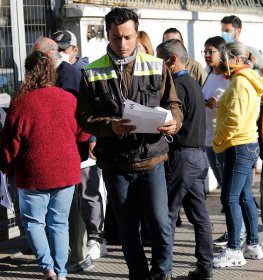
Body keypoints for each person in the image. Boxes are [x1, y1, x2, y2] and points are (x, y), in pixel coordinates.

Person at [75, 8, 183, 280]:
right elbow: (85, 118)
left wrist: (175, 121)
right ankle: (139, 275)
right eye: (115, 38)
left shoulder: (156, 66)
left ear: (137, 35)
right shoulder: (91, 72)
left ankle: (163, 272)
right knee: (126, 228)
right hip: (115, 163)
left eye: (127, 37)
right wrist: (110, 126)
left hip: (152, 160)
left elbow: (173, 104)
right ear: (107, 36)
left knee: (160, 222)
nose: (122, 44)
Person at [0, 51, 89, 280]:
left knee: (33, 222)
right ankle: (61, 272)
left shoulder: (20, 103)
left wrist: (6, 167)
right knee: (59, 223)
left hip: (33, 173)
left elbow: (10, 145)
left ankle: (47, 268)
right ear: (52, 72)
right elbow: (83, 134)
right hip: (66, 171)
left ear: (28, 72)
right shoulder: (68, 99)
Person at [32, 36, 96, 271]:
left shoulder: (67, 75)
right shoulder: (60, 75)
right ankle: (70, 256)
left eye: (36, 57)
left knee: (68, 209)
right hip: (63, 152)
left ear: (48, 56)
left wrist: (89, 139)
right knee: (64, 210)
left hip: (68, 152)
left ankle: (77, 255)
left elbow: (79, 116)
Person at [156, 38, 213, 280]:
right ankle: (205, 267)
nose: (158, 66)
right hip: (199, 157)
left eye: (160, 60)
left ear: (172, 60)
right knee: (200, 216)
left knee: (167, 215)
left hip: (183, 158)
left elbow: (170, 122)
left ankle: (164, 270)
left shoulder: (177, 86)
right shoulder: (193, 83)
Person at [52, 29, 108, 261]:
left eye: (64, 49)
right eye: (56, 49)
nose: (60, 53)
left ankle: (96, 238)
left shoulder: (83, 73)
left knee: (89, 192)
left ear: (75, 50)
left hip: (84, 143)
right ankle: (74, 242)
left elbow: (92, 108)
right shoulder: (53, 73)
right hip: (64, 146)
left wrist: (93, 139)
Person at [212, 42, 263, 268]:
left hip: (238, 145)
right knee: (243, 197)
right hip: (246, 143)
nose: (222, 63)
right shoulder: (246, 79)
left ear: (236, 59)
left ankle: (234, 250)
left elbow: (235, 119)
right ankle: (252, 244)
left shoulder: (240, 82)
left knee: (230, 198)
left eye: (224, 58)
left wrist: (218, 140)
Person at [202, 36, 228, 190]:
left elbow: (237, 104)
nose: (207, 55)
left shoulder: (229, 78)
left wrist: (218, 105)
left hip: (223, 140)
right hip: (208, 138)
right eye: (204, 52)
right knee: (222, 183)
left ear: (222, 53)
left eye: (211, 51)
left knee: (229, 185)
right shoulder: (210, 76)